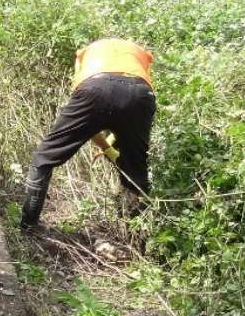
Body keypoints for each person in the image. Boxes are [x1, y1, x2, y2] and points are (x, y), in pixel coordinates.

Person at [19, 38, 156, 229]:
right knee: (135, 171)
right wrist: (109, 149)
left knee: (43, 158)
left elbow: (90, 123)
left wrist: (107, 147)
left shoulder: (85, 55)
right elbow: (125, 112)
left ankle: (28, 224)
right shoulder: (141, 56)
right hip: (139, 94)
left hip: (95, 87)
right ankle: (134, 233)